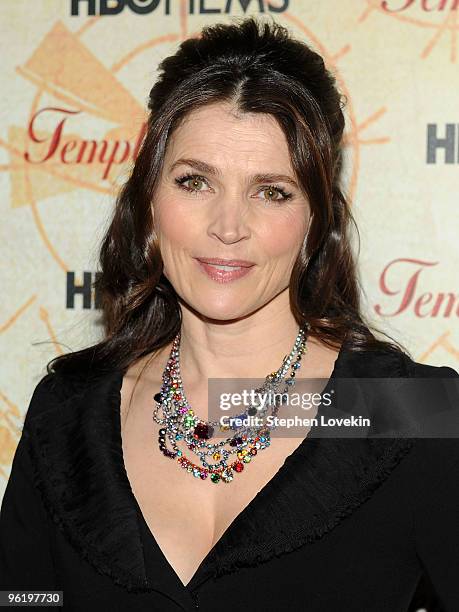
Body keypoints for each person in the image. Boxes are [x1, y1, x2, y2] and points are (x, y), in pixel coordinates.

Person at [1, 16, 458, 612]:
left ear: (314, 222)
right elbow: (23, 599)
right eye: (195, 182)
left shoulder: (409, 414)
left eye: (272, 191)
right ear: (150, 201)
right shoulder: (67, 414)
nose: (228, 227)